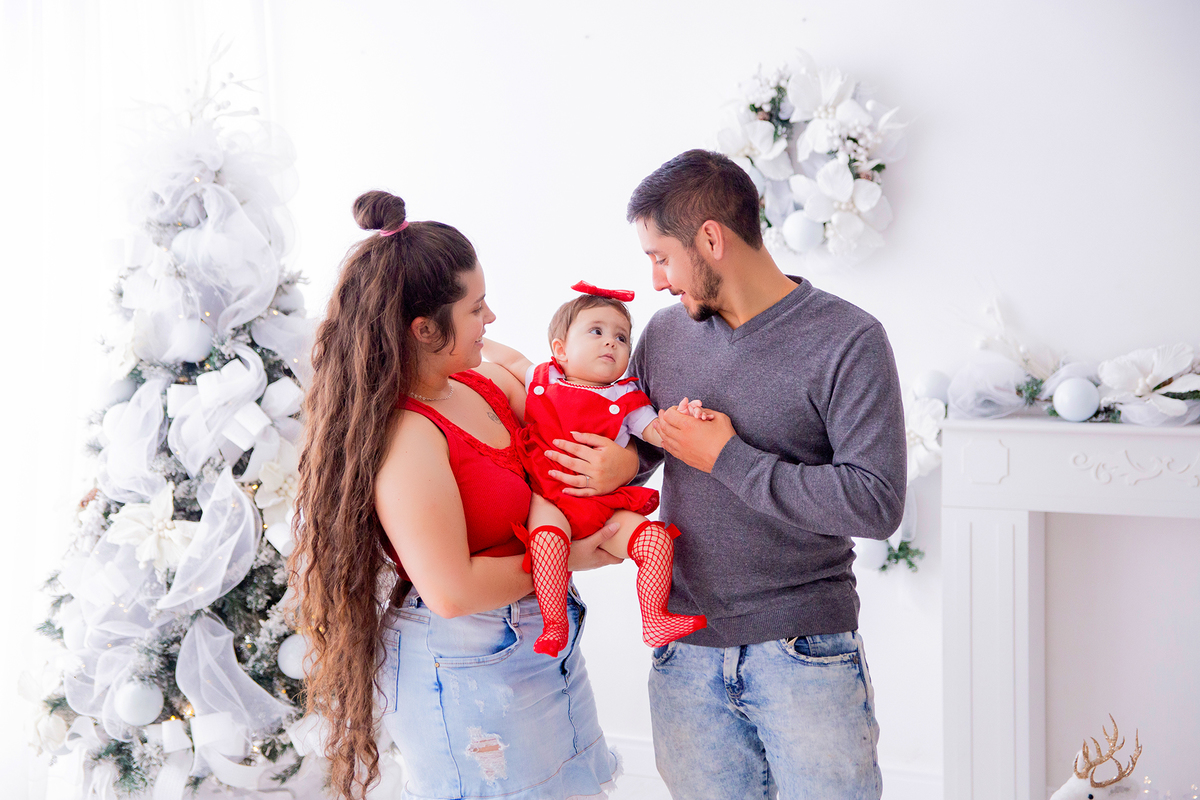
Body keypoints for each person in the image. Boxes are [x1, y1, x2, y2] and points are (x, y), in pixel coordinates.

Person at [290, 191, 633, 800]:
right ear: (424, 329)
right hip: (468, 663)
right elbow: (450, 591)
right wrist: (570, 560)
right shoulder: (407, 433)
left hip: (541, 647)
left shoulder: (479, 381)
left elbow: (575, 415)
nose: (491, 320)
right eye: (476, 309)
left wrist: (626, 460)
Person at [624, 150, 907, 799]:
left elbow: (875, 501)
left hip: (804, 652)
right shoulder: (664, 337)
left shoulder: (848, 339)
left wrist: (728, 456)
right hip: (684, 653)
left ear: (711, 239)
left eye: (661, 256)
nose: (658, 280)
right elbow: (639, 453)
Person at [482, 281, 709, 657]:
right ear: (561, 351)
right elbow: (512, 359)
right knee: (548, 543)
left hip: (605, 508)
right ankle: (555, 622)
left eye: (621, 338)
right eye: (597, 332)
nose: (611, 343)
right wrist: (480, 340)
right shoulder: (544, 380)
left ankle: (655, 616)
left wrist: (684, 417)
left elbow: (658, 433)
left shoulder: (629, 398)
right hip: (550, 499)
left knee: (655, 541)